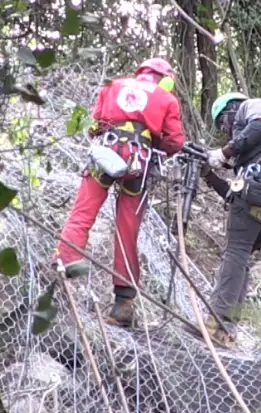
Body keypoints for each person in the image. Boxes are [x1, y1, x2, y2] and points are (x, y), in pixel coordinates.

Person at [53, 58, 186, 328]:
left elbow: (94, 127)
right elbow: (175, 141)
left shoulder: (113, 85)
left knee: (82, 213)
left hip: (106, 153)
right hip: (140, 162)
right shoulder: (167, 98)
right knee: (127, 231)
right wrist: (153, 140)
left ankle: (63, 265)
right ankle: (123, 304)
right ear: (165, 78)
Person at [184, 92, 261, 347]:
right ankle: (227, 329)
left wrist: (224, 152)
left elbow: (260, 125)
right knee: (242, 255)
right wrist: (209, 173)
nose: (225, 129)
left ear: (231, 110)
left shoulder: (250, 106)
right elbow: (235, 195)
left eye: (223, 122)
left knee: (236, 251)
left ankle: (217, 320)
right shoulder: (260, 156)